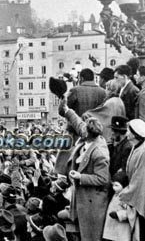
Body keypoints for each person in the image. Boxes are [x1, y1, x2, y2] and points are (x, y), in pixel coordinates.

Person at [59, 97, 110, 241]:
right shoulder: (90, 137)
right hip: (83, 198)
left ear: (87, 133)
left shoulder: (99, 153)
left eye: (84, 130)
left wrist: (80, 177)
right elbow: (78, 123)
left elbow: (103, 178)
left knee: (91, 235)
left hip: (93, 202)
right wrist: (67, 110)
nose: (81, 130)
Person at [119, 119, 145, 240]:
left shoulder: (143, 152)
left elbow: (139, 179)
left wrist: (124, 194)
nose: (127, 133)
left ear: (135, 134)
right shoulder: (136, 147)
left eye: (129, 130)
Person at [82, 79, 126, 144]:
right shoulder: (119, 101)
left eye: (106, 88)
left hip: (109, 137)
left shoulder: (111, 102)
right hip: (117, 135)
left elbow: (100, 115)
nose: (105, 91)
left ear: (110, 90)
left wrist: (87, 114)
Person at [103, 171, 131, 241]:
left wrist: (119, 214)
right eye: (113, 185)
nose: (113, 188)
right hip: (112, 227)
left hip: (121, 229)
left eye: (116, 185)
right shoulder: (115, 195)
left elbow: (130, 212)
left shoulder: (125, 197)